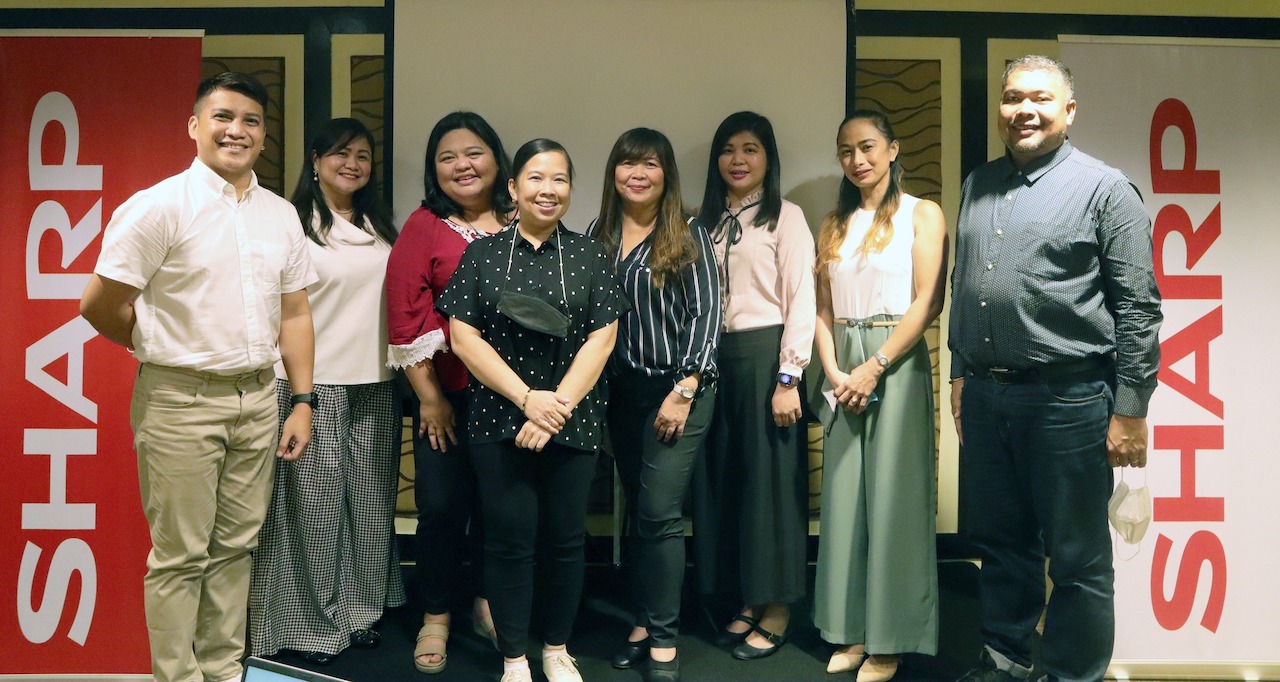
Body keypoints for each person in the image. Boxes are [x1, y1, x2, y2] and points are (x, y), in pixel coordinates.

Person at [79, 72, 316, 682]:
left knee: (236, 551)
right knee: (180, 558)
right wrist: (154, 342)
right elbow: (99, 303)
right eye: (222, 116)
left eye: (251, 121)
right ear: (194, 126)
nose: (236, 130)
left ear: (263, 136)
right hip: (179, 401)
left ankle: (220, 671)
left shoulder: (281, 216)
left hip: (260, 399)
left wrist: (303, 399)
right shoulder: (158, 207)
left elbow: (293, 312)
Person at [949, 55, 1162, 682]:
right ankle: (1004, 660)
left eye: (1040, 99)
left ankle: (1072, 675)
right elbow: (968, 285)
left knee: (1076, 560)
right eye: (1013, 98)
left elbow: (1139, 311)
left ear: (1069, 112)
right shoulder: (977, 182)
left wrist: (1130, 410)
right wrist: (962, 370)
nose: (1024, 110)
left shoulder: (1105, 189)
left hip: (1069, 401)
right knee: (1003, 545)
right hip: (988, 399)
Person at [437, 138, 626, 682]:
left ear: (571, 189)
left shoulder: (590, 255)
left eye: (561, 179)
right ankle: (515, 656)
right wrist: (527, 401)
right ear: (514, 188)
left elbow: (602, 338)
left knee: (566, 541)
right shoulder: (483, 255)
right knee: (508, 541)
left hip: (572, 418)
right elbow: (464, 337)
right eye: (537, 179)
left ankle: (557, 650)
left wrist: (555, 408)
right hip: (500, 419)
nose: (549, 190)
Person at [247, 117, 403, 665]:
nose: (352, 164)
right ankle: (308, 623)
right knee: (312, 508)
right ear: (315, 160)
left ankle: (361, 612)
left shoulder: (381, 225)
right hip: (313, 385)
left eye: (362, 155)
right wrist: (298, 395)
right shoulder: (291, 224)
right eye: (340, 153)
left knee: (368, 504)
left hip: (378, 383)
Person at [811, 111, 948, 682]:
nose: (857, 159)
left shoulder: (924, 213)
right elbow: (820, 311)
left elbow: (926, 301)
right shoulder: (833, 223)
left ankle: (890, 638)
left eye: (867, 147)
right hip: (843, 361)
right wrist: (836, 371)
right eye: (846, 151)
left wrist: (874, 366)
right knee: (843, 502)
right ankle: (850, 630)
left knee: (895, 503)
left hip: (894, 359)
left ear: (893, 149)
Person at [385, 111, 514, 674]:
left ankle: (486, 602)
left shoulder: (523, 218)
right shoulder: (423, 226)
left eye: (474, 152)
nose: (463, 165)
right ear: (434, 170)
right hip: (447, 394)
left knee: (499, 508)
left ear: (496, 158)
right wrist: (430, 399)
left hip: (512, 397)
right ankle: (435, 614)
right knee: (439, 508)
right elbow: (405, 316)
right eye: (447, 157)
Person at [590, 128, 721, 682]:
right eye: (626, 163)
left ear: (666, 173)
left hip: (681, 391)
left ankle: (663, 641)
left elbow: (707, 316)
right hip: (623, 394)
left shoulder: (688, 232)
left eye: (649, 163)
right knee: (639, 515)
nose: (637, 173)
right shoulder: (598, 233)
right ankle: (642, 621)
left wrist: (684, 390)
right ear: (612, 173)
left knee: (660, 513)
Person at [691, 111, 816, 661]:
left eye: (750, 149)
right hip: (714, 359)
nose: (737, 160)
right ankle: (746, 595)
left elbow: (802, 301)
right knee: (727, 481)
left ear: (768, 158)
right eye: (727, 149)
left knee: (772, 486)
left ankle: (780, 605)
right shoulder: (704, 223)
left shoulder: (785, 218)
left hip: (768, 359)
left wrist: (789, 376)